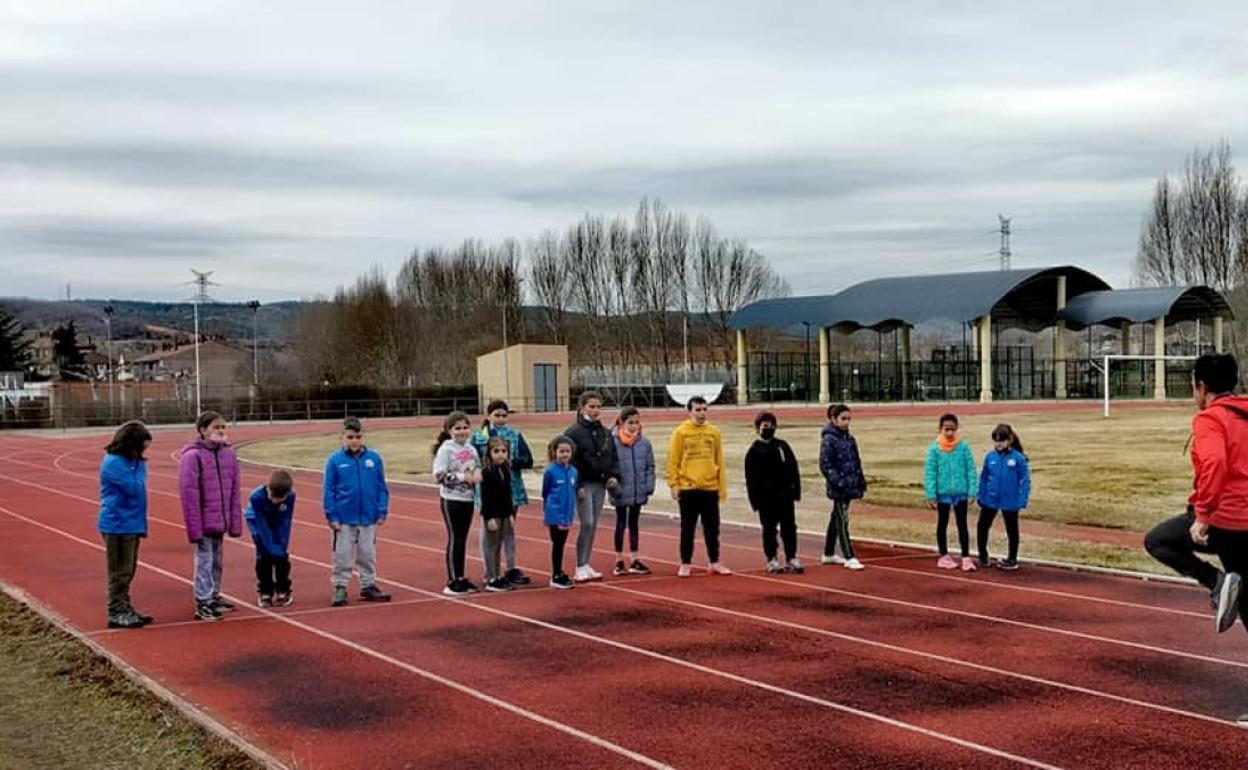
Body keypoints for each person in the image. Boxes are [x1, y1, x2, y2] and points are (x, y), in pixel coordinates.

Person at [1144, 353, 1248, 726]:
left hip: (1228, 522)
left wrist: (1203, 515)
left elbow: (1217, 464)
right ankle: (1224, 582)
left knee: (1158, 541)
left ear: (1201, 388)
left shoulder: (1209, 418)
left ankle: (1216, 581)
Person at [179, 411, 243, 622]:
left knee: (217, 560)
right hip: (204, 521)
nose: (221, 431)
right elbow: (189, 494)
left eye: (223, 427)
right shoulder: (193, 456)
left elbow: (234, 489)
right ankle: (203, 601)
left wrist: (233, 522)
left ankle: (214, 595)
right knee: (204, 561)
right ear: (203, 430)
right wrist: (194, 528)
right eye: (216, 427)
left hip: (220, 519)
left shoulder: (228, 454)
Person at [323, 416, 392, 607]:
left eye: (358, 437)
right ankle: (340, 586)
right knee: (342, 554)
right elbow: (328, 489)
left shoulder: (374, 459)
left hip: (368, 516)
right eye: (350, 437)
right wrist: (331, 514)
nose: (355, 441)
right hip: (344, 518)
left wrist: (382, 509)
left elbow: (381, 486)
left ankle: (368, 584)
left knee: (367, 553)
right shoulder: (334, 461)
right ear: (342, 438)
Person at [470, 400, 534, 585]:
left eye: (504, 415)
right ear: (488, 415)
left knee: (509, 528)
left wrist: (513, 462)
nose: (500, 419)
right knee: (490, 530)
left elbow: (528, 459)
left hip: (511, 487)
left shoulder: (514, 434)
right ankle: (490, 570)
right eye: (496, 415)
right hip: (488, 489)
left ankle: (511, 567)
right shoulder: (479, 437)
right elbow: (473, 460)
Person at [98, 420, 154, 629]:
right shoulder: (114, 463)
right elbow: (134, 488)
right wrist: (140, 466)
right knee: (119, 572)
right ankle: (116, 611)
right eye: (142, 446)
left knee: (128, 570)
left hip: (132, 522)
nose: (144, 452)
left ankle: (124, 606)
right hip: (117, 524)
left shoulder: (131, 463)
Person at [667, 396, 731, 577]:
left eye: (704, 409)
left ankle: (714, 562)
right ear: (690, 411)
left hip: (710, 488)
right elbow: (674, 460)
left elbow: (719, 459)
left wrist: (721, 487)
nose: (702, 413)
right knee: (688, 528)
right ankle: (685, 563)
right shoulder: (681, 432)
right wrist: (674, 484)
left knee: (712, 528)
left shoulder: (714, 432)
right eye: (698, 410)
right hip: (688, 488)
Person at [564, 392, 620, 582]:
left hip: (600, 484)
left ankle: (586, 562)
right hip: (584, 484)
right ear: (582, 408)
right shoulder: (573, 433)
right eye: (591, 407)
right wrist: (577, 484)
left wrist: (613, 476)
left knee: (593, 524)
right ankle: (579, 565)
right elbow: (570, 461)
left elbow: (613, 457)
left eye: (598, 407)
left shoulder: (605, 432)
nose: (595, 410)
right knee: (586, 522)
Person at [744, 411, 803, 574]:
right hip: (766, 498)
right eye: (764, 426)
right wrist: (755, 501)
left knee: (789, 527)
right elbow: (750, 478)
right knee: (769, 529)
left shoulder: (782, 446)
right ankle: (772, 559)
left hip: (785, 495)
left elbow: (793, 468)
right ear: (757, 428)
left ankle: (792, 557)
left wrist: (796, 490)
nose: (768, 428)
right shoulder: (754, 451)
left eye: (771, 425)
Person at [433, 411, 481, 596]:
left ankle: (461, 577)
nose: (462, 431)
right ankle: (453, 580)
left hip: (468, 498)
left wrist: (477, 474)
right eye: (457, 428)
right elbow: (439, 476)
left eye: (465, 427)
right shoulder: (446, 449)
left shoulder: (471, 449)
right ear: (449, 430)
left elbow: (476, 467)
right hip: (452, 499)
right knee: (456, 538)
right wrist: (463, 477)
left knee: (463, 538)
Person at [924, 413, 979, 572]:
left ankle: (966, 557)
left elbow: (970, 469)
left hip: (960, 493)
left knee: (962, 525)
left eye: (952, 430)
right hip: (943, 494)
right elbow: (931, 472)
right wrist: (931, 494)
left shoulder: (963, 447)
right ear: (940, 429)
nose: (949, 433)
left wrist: (972, 491)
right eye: (946, 429)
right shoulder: (934, 449)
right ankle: (943, 555)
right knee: (943, 523)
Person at [975, 424, 1030, 571]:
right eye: (996, 441)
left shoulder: (1018, 458)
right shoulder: (990, 457)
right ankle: (983, 555)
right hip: (990, 498)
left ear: (1009, 440)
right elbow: (984, 477)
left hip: (1010, 500)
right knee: (982, 526)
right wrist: (981, 494)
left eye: (1002, 440)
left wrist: (1022, 499)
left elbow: (1025, 480)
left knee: (1012, 529)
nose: (999, 444)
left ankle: (1012, 559)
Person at [820, 404, 866, 570]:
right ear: (833, 419)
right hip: (838, 487)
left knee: (836, 519)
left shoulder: (849, 439)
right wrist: (838, 481)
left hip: (850, 484)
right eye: (843, 419)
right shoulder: (829, 440)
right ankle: (849, 555)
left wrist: (860, 480)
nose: (847, 422)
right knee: (842, 520)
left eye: (849, 419)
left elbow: (856, 462)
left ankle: (828, 553)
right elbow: (825, 464)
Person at [610, 406, 655, 576]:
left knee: (634, 523)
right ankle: (619, 560)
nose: (634, 426)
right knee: (621, 523)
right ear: (622, 422)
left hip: (638, 489)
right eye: (630, 422)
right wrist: (613, 485)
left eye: (637, 422)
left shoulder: (644, 443)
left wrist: (648, 485)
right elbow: (610, 464)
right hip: (621, 490)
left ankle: (635, 559)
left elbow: (650, 465)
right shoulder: (613, 441)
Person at [246, 469, 296, 607]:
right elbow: (262, 527)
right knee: (264, 556)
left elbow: (285, 521)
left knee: (281, 557)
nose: (275, 501)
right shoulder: (257, 498)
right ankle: (265, 591)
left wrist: (281, 545)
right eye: (273, 496)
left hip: (277, 519)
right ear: (268, 489)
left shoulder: (291, 497)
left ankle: (283, 589)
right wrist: (271, 547)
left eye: (280, 499)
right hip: (257, 521)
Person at [477, 437, 517, 593]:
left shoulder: (506, 470)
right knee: (491, 545)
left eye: (504, 451)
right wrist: (488, 517)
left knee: (499, 544)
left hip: (504, 512)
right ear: (489, 453)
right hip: (492, 514)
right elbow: (485, 497)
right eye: (496, 451)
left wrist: (510, 514)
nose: (500, 455)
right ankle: (491, 577)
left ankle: (497, 574)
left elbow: (508, 495)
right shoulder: (487, 472)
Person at [543, 435, 581, 589]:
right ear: (554, 452)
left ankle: (560, 571)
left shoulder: (573, 471)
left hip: (567, 513)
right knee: (557, 544)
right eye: (561, 451)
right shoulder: (550, 471)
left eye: (567, 451)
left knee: (562, 543)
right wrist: (551, 510)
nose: (565, 454)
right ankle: (556, 573)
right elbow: (546, 492)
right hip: (554, 513)